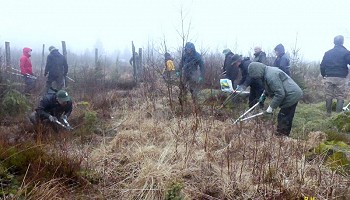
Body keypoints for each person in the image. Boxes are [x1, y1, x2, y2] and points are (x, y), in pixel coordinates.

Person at [248, 62, 303, 136]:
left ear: (257, 71)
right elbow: (270, 86)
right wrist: (263, 96)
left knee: (284, 116)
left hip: (291, 95)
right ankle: (283, 135)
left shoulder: (271, 76)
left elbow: (280, 94)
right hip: (290, 93)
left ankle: (282, 137)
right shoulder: (267, 72)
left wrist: (271, 107)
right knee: (284, 115)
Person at [320, 35, 350, 115]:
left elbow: (322, 65)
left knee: (328, 95)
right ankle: (337, 115)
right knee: (340, 95)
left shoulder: (328, 53)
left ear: (334, 42)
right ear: (342, 42)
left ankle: (328, 114)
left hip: (329, 76)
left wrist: (324, 75)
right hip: (341, 77)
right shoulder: (346, 52)